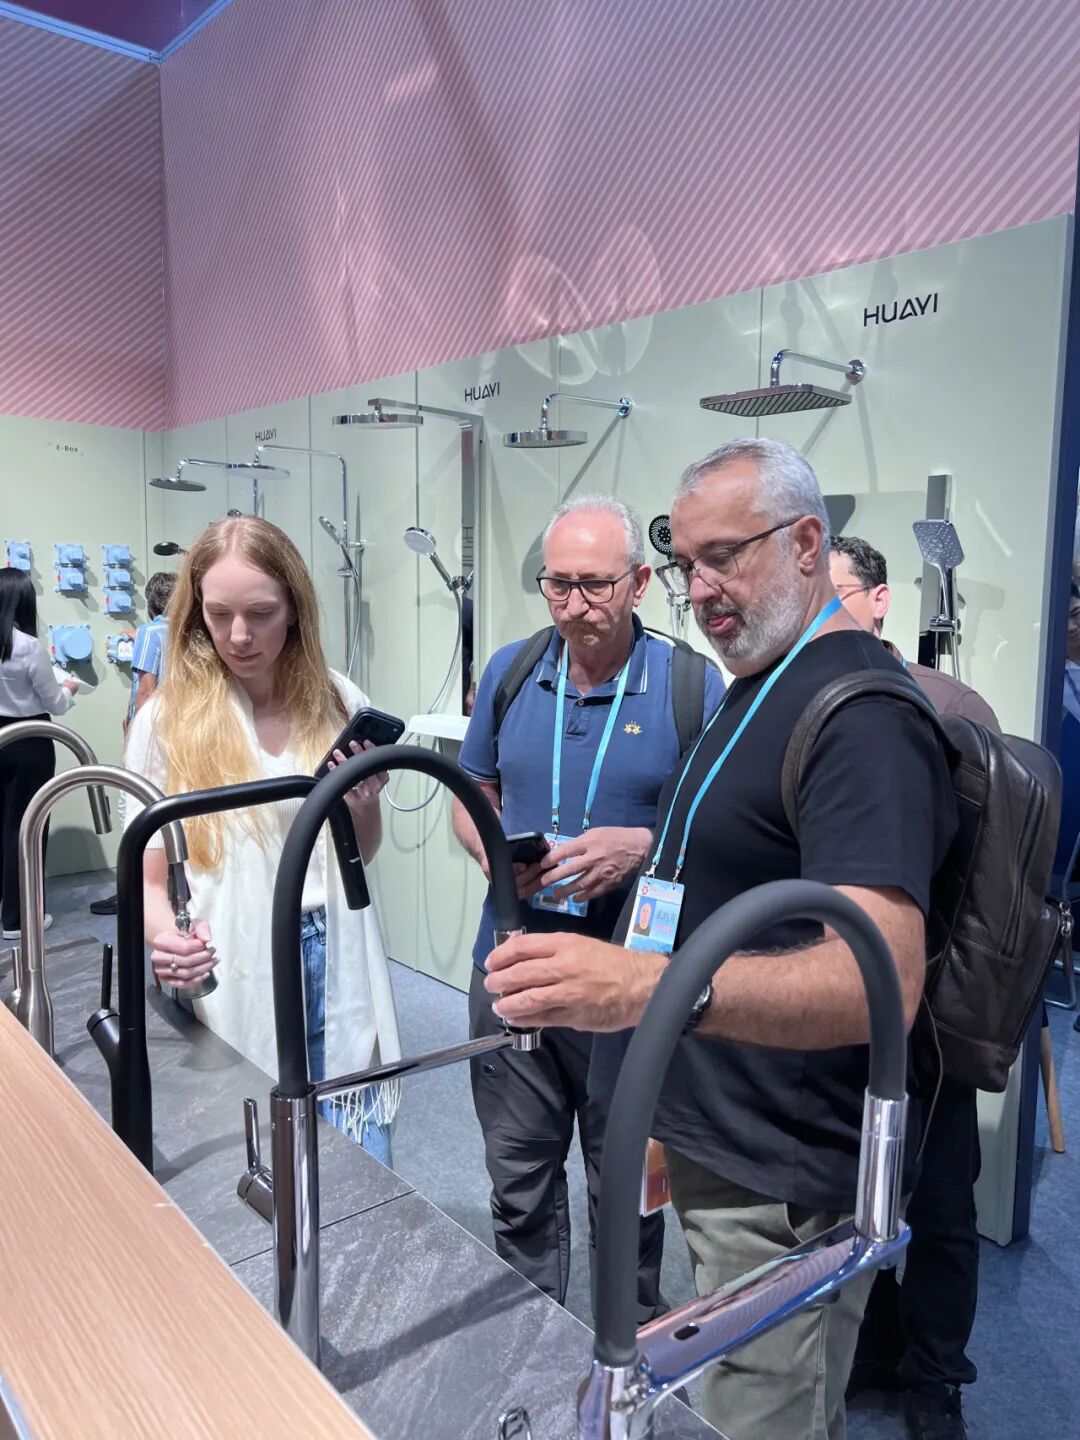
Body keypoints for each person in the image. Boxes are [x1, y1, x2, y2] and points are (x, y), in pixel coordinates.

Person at [482, 439, 958, 1440]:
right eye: (686, 563)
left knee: (765, 1421)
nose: (700, 589)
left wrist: (647, 991)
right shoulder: (762, 683)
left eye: (724, 557)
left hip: (783, 1183)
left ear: (806, 544)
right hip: (723, 1140)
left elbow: (880, 977)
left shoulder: (862, 717)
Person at [452, 492, 725, 1318]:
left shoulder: (689, 685)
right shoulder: (511, 671)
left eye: (596, 585)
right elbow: (471, 791)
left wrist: (639, 847)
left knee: (626, 1183)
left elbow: (719, 823)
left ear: (638, 582)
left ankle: (625, 1338)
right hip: (514, 968)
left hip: (626, 985)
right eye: (557, 584)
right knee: (518, 1179)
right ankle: (528, 1333)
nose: (574, 605)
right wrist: (493, 855)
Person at [123, 516, 401, 1161]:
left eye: (260, 614)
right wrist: (167, 940)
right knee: (260, 1152)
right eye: (219, 616)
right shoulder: (167, 722)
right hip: (235, 950)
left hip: (336, 944)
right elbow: (148, 878)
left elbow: (360, 854)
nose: (239, 636)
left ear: (295, 609)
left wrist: (362, 803)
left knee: (360, 1153)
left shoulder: (337, 700)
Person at [830, 534, 999, 1440]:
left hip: (929, 1015)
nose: (822, 610)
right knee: (845, 1193)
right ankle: (873, 1343)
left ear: (881, 600)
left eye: (839, 592)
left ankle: (936, 1376)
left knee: (939, 1204)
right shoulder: (795, 700)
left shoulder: (951, 708)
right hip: (830, 1010)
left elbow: (988, 878)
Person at [91, 570, 178, 918]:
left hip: (151, 733)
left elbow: (146, 687)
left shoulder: (150, 633)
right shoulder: (189, 631)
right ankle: (168, 888)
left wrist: (134, 731)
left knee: (134, 808)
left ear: (150, 601)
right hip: (179, 732)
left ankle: (132, 890)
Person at [0, 568, 81, 939]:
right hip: (29, 740)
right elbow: (55, 703)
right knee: (27, 826)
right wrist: (70, 688)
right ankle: (18, 919)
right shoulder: (28, 646)